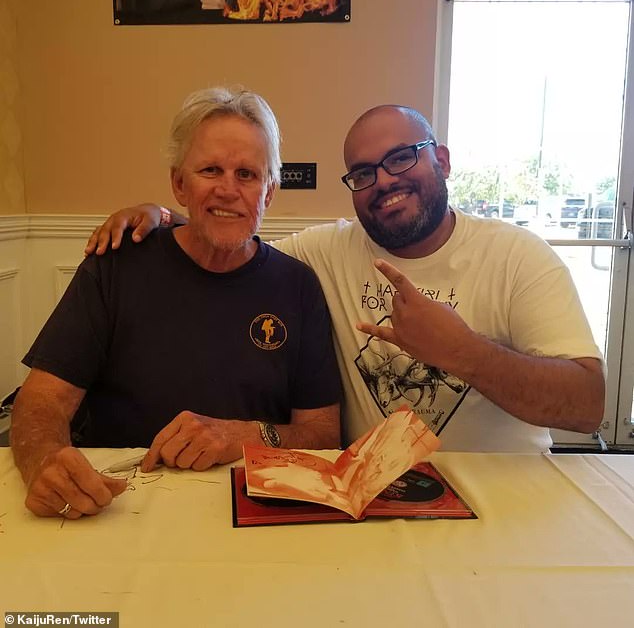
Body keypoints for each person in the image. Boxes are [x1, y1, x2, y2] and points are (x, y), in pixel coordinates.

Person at [84, 103, 605, 453]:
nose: (384, 182)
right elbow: (233, 240)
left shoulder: (517, 257)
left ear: (441, 161)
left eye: (402, 159)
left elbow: (587, 407)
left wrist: (463, 352)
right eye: (363, 173)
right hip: (364, 499)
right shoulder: (325, 250)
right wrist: (161, 215)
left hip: (503, 501)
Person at [10, 87, 341, 519]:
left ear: (269, 192)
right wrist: (44, 461)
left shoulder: (297, 286)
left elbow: (323, 434)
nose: (228, 189)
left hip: (252, 511)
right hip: (118, 503)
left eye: (247, 174)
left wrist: (239, 435)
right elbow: (41, 401)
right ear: (178, 184)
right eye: (210, 170)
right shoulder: (116, 267)